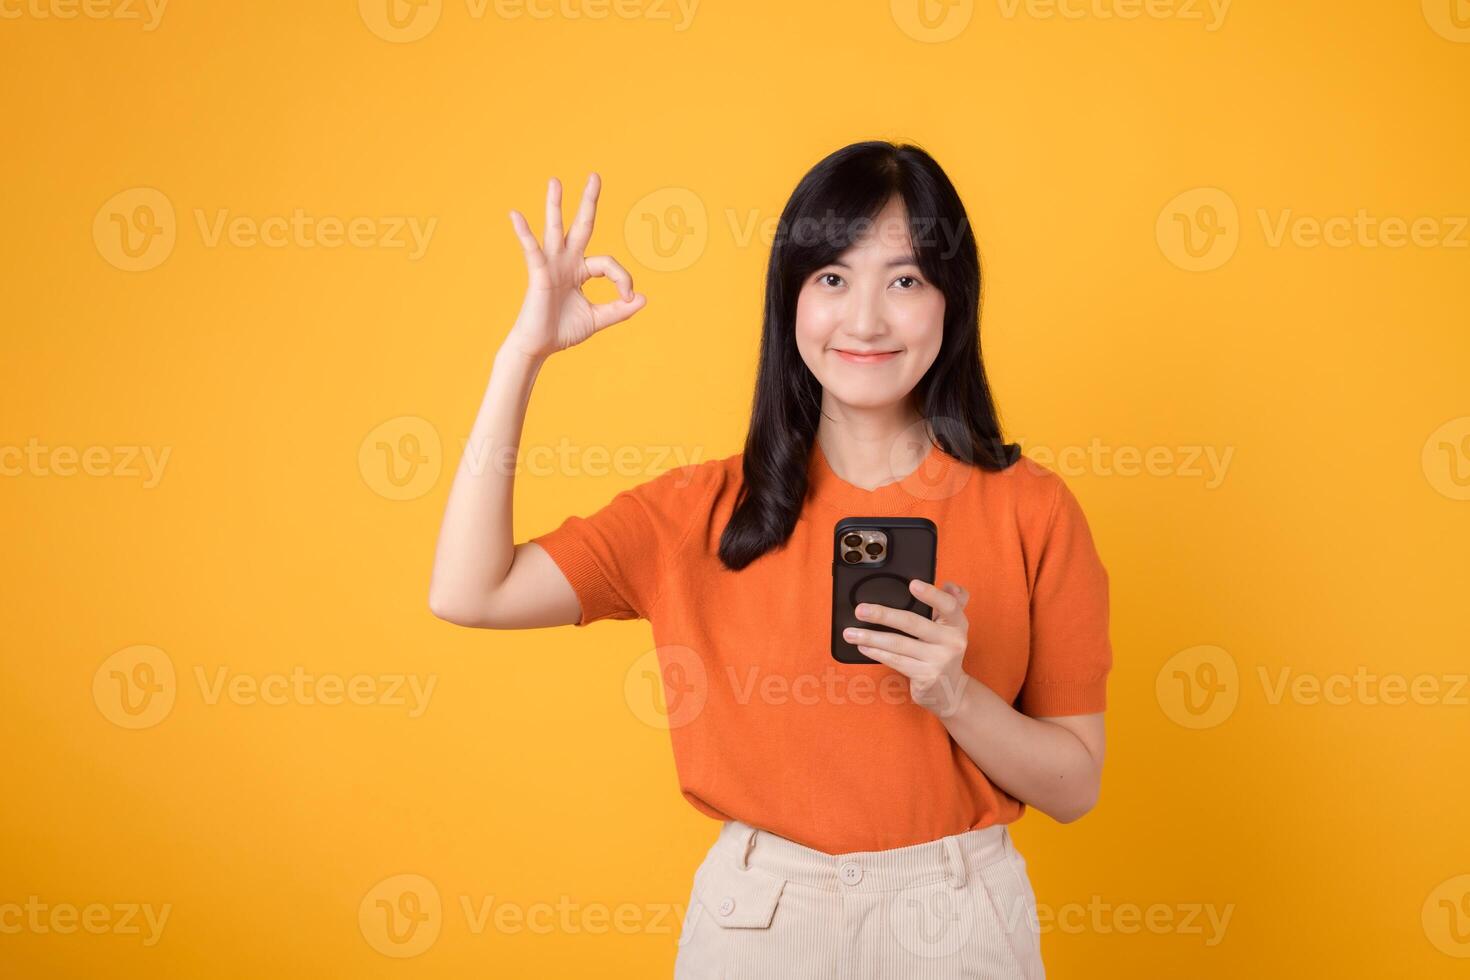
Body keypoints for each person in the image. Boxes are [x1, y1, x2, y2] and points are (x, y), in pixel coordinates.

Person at [428, 140, 1112, 979]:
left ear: (951, 302)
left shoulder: (1031, 509)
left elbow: (1075, 788)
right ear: (789, 299)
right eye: (832, 278)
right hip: (763, 923)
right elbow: (471, 590)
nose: (865, 320)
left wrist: (955, 695)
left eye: (904, 280)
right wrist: (521, 356)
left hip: (958, 915)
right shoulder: (697, 510)